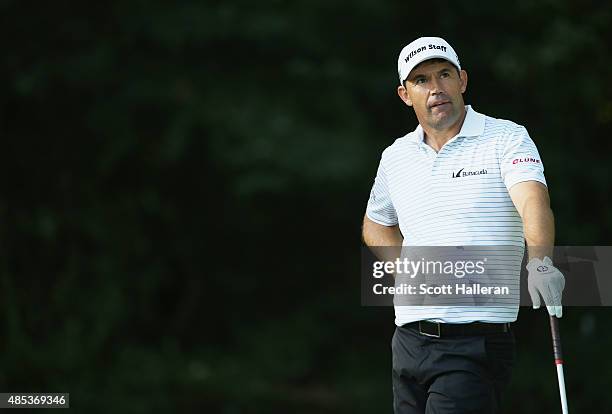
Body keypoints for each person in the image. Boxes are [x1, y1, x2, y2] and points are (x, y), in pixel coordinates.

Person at [362, 37, 565, 414]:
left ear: (463, 81)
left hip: (474, 341)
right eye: (421, 80)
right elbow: (376, 225)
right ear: (406, 95)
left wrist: (540, 261)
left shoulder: (506, 137)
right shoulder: (396, 156)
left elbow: (533, 203)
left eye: (444, 75)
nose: (436, 88)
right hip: (407, 340)